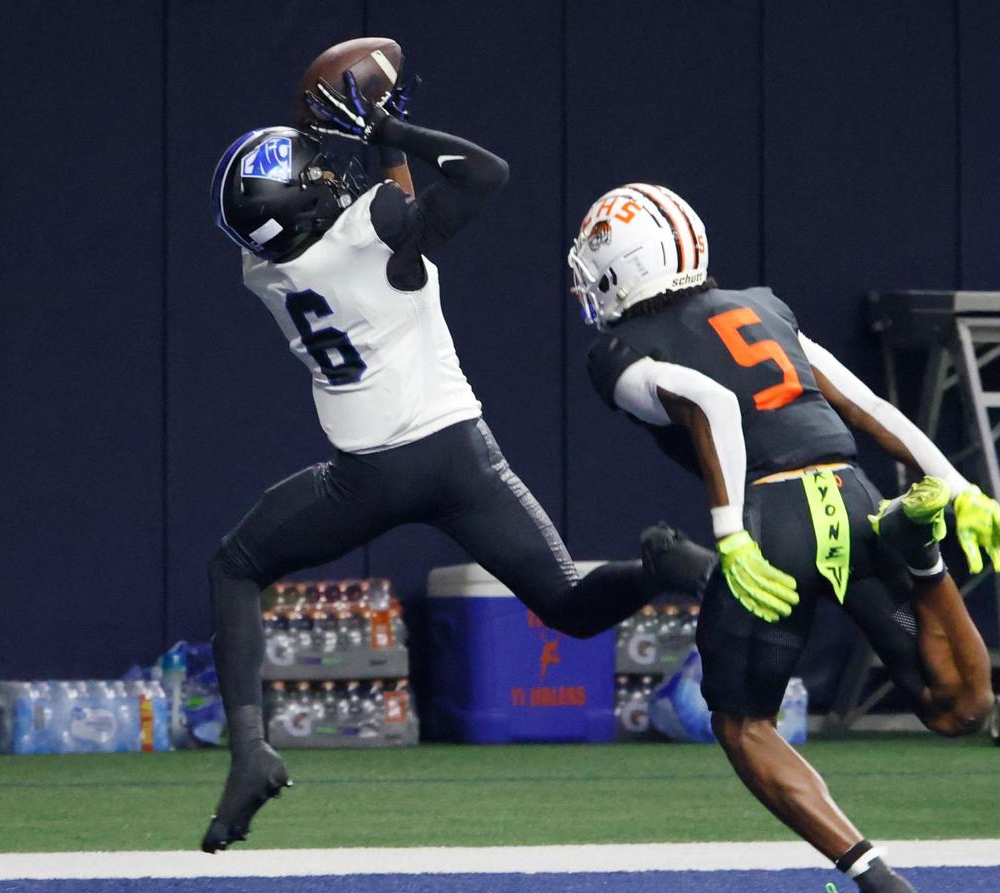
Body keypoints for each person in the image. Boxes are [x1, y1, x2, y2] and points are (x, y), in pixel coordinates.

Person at [202, 80, 712, 853]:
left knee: (235, 566)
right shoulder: (372, 226)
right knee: (571, 603)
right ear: (306, 205)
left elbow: (376, 222)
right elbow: (484, 173)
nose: (330, 174)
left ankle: (250, 749)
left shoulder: (267, 272)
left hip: (363, 478)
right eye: (314, 172)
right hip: (456, 455)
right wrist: (391, 127)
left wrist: (376, 145)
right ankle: (662, 568)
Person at [568, 183, 1000, 893]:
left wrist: (730, 534)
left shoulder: (616, 351)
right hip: (852, 488)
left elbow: (707, 400)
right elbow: (865, 403)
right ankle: (925, 554)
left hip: (772, 518)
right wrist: (961, 486)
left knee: (743, 722)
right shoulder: (762, 307)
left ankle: (877, 882)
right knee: (959, 708)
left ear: (619, 268)